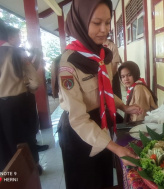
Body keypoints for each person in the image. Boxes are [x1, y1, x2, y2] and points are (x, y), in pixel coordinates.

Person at [57, 0, 141, 188]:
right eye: (96, 23)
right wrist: (116, 148)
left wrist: (123, 106)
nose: (104, 29)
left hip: (102, 123)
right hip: (79, 131)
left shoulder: (101, 55)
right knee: (87, 181)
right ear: (81, 21)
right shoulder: (68, 65)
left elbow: (105, 92)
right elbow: (78, 119)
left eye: (107, 22)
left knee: (103, 178)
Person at [0, 19, 41, 172]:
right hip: (18, 103)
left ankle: (10, 177)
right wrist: (27, 89)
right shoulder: (17, 52)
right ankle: (30, 171)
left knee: (4, 146)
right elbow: (35, 82)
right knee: (24, 140)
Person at [6, 25, 49, 153]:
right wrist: (32, 89)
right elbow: (33, 77)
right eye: (18, 36)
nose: (20, 39)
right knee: (29, 125)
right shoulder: (17, 52)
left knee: (14, 131)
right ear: (11, 37)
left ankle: (25, 154)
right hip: (23, 95)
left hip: (6, 100)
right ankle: (33, 156)